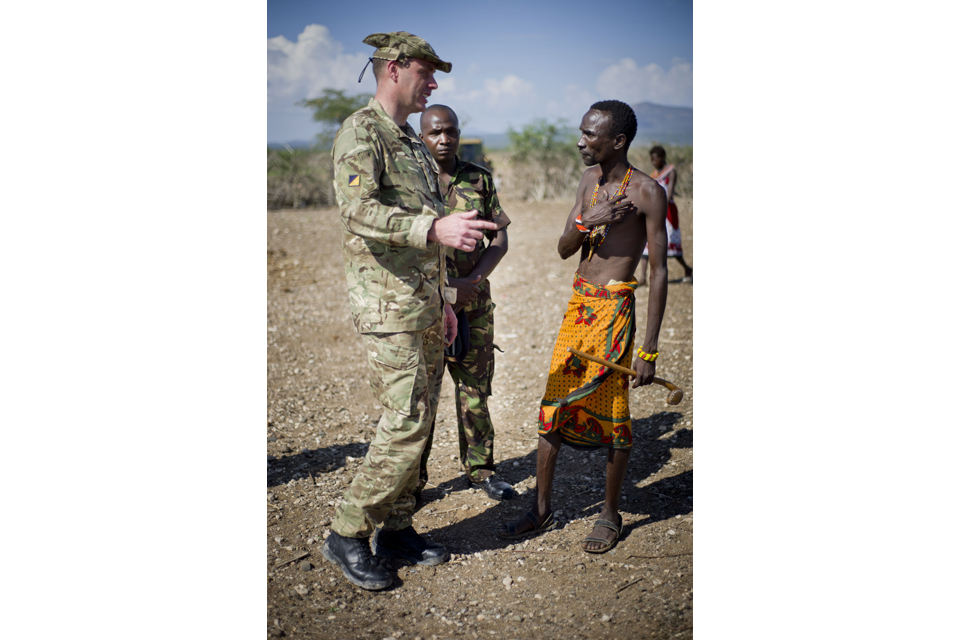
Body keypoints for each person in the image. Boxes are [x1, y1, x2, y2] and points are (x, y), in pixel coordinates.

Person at [321, 31, 499, 591]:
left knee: (420, 423)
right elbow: (356, 210)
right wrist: (432, 226)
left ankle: (397, 529)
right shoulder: (362, 131)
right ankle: (347, 533)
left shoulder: (410, 142)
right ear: (394, 69)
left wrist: (446, 299)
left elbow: (434, 233)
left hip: (425, 305)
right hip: (389, 306)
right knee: (404, 422)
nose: (435, 84)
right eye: (427, 72)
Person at [496, 100, 669, 554]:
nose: (580, 141)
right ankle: (541, 508)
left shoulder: (648, 193)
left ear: (618, 141)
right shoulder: (588, 181)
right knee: (552, 404)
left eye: (590, 135)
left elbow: (660, 272)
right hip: (578, 307)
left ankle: (610, 513)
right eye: (581, 132)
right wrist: (586, 220)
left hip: (613, 312)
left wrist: (648, 350)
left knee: (612, 411)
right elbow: (563, 248)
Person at [416, 104, 515, 502]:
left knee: (475, 390)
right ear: (421, 137)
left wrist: (473, 282)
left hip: (474, 304)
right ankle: (413, 482)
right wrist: (449, 286)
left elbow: (500, 240)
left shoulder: (478, 179)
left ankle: (481, 468)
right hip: (427, 308)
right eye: (435, 133)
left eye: (451, 131)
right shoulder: (411, 184)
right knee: (422, 399)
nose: (444, 139)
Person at [637, 145, 692, 284]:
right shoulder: (654, 174)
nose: (653, 162)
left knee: (671, 245)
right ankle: (643, 277)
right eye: (652, 160)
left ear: (662, 157)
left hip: (667, 210)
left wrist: (659, 208)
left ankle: (687, 269)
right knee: (648, 242)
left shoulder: (671, 172)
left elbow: (669, 193)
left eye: (655, 159)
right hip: (655, 210)